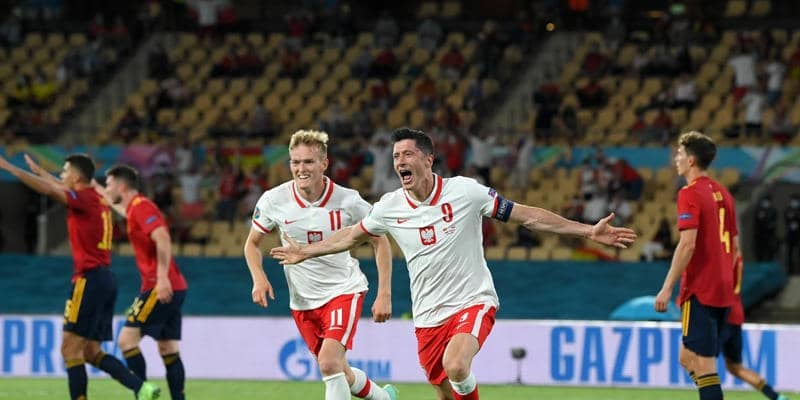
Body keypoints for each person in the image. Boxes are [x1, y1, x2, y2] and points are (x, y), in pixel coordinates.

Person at [270, 128, 637, 400]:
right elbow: (351, 236)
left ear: (428, 159)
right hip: (428, 316)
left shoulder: (466, 192)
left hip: (472, 300)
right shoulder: (389, 207)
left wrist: (587, 230)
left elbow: (527, 216)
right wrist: (306, 252)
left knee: (457, 365)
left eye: (407, 154)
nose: (400, 162)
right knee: (446, 390)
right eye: (396, 157)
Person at [243, 130, 399, 400]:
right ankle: (384, 398)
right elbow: (252, 244)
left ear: (324, 164)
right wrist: (259, 277)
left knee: (329, 362)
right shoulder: (273, 200)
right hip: (302, 301)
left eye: (308, 162)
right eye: (295, 162)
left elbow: (380, 241)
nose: (301, 169)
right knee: (339, 371)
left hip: (343, 290)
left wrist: (384, 293)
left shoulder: (348, 200)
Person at [0, 153, 160, 400]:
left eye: (65, 171)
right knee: (91, 352)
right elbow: (58, 186)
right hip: (105, 280)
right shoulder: (95, 197)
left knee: (70, 350)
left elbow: (50, 190)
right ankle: (142, 388)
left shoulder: (83, 199)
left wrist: (11, 168)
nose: (62, 175)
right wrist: (40, 171)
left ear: (76, 177)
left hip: (89, 280)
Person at [654, 131, 736, 400]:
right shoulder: (723, 193)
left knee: (703, 363)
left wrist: (667, 287)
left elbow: (687, 244)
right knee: (687, 358)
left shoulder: (689, 193)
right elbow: (735, 246)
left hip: (701, 288)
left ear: (691, 160)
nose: (675, 159)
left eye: (679, 154)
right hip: (723, 288)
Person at [98, 164, 189, 400]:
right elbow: (119, 207)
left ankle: (143, 394)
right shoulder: (134, 209)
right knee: (168, 348)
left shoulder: (141, 207)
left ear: (122, 187)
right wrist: (94, 187)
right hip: (176, 286)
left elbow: (162, 237)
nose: (107, 190)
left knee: (126, 341)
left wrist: (162, 278)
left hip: (158, 286)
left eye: (109, 185)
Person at [721, 254, 789, 400]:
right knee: (734, 367)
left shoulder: (722, 254)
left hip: (722, 313)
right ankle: (776, 397)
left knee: (701, 361)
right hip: (736, 314)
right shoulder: (737, 256)